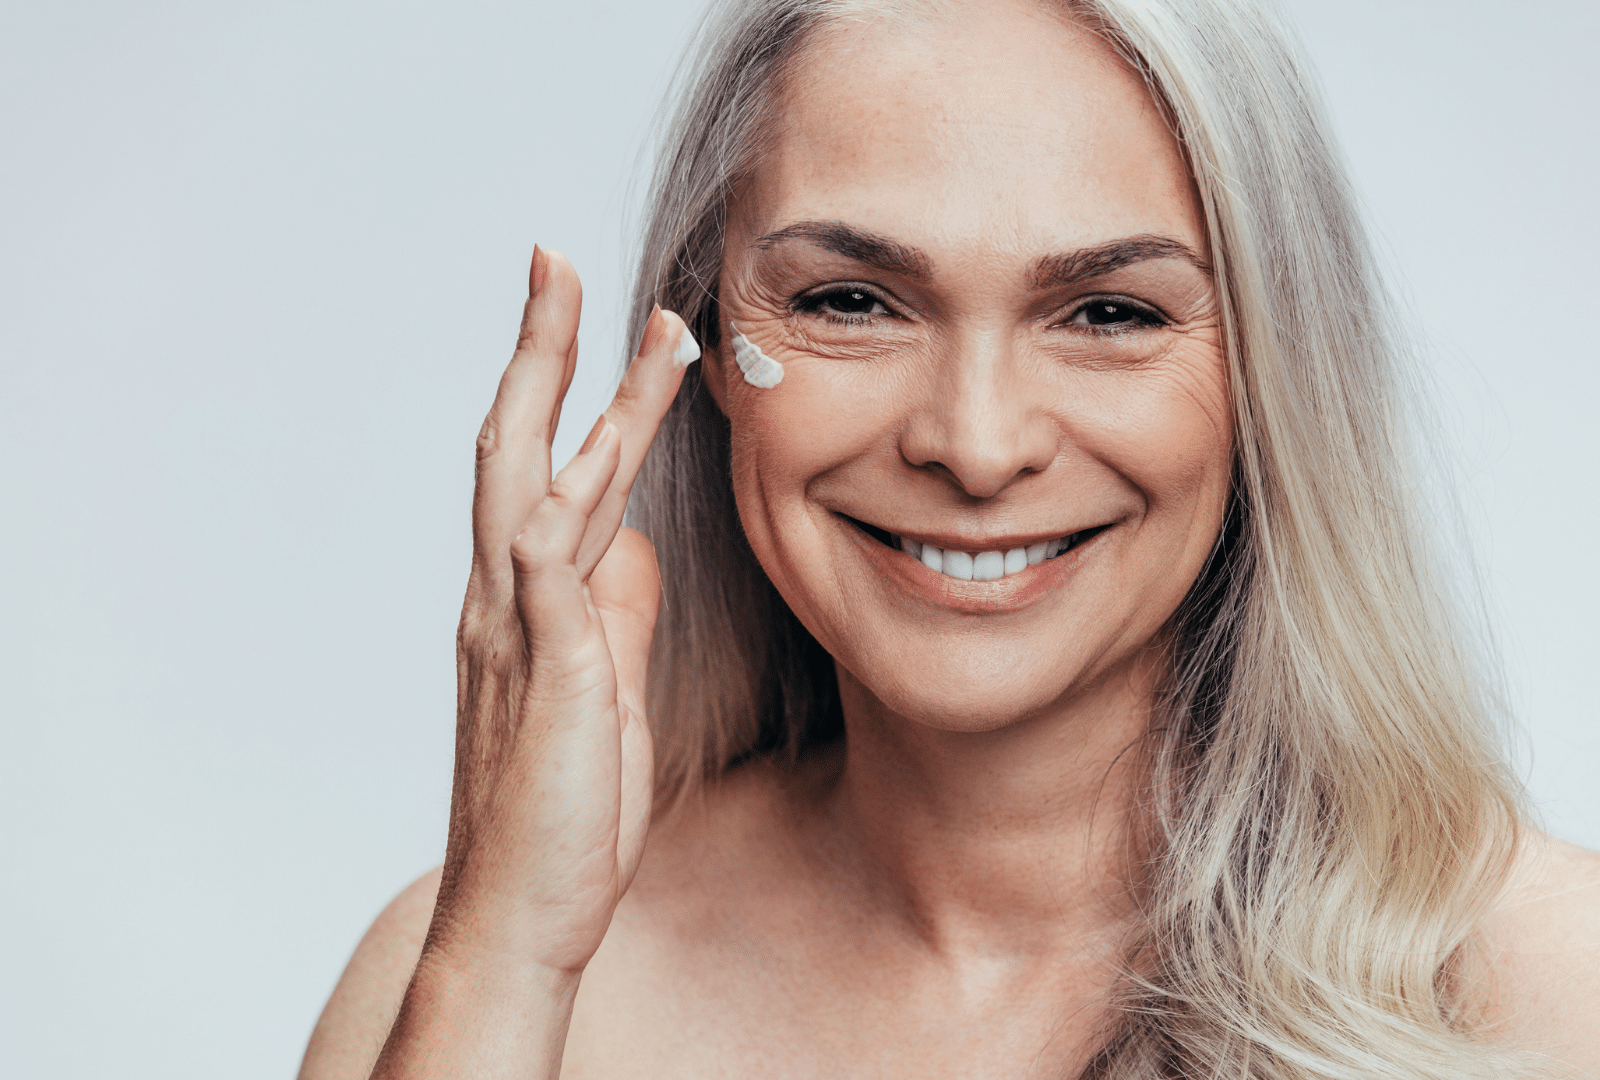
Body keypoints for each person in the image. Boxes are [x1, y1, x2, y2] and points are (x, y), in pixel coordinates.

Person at [297, 0, 1600, 1076]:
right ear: (701, 353)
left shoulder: (1557, 992)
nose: (975, 447)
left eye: (1107, 313)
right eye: (853, 301)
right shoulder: (473, 975)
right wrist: (506, 969)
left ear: (1272, 369)